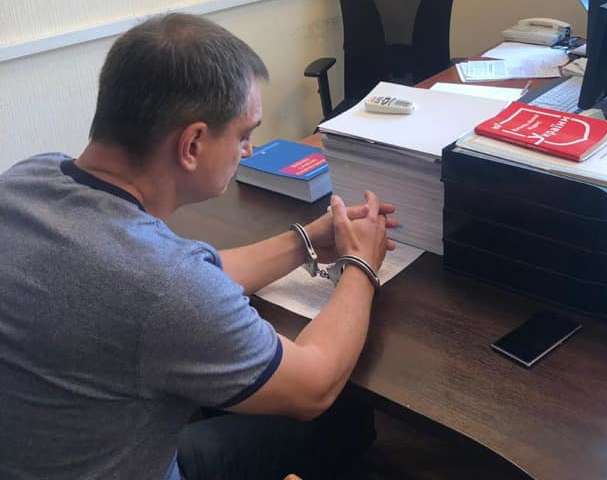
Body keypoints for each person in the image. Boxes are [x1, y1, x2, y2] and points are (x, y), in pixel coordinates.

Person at [0, 13, 398, 480]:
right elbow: (315, 385)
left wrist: (308, 239)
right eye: (243, 135)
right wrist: (361, 264)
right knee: (341, 418)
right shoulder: (167, 285)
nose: (248, 151)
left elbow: (189, 281)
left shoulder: (27, 179)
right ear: (191, 144)